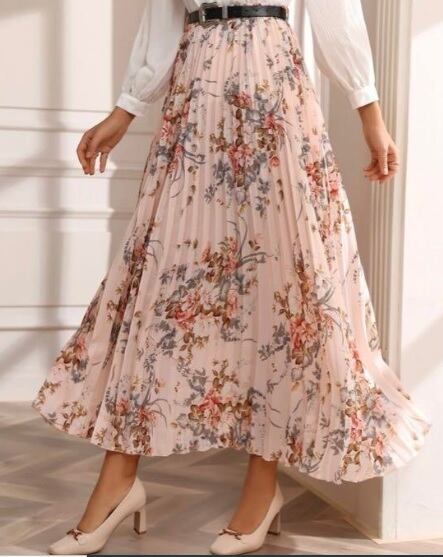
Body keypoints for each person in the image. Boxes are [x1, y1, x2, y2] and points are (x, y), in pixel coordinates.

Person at [32, 1, 431, 555]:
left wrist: (371, 113)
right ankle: (118, 482)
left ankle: (261, 491)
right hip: (195, 91)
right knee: (161, 287)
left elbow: (336, 10)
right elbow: (164, 17)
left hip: (273, 86)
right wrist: (125, 110)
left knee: (280, 288)